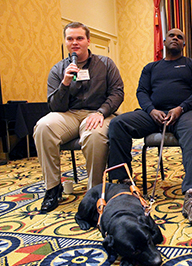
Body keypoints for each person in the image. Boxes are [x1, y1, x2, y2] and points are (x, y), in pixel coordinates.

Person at [107, 28, 192, 228]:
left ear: (184, 44)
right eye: (172, 36)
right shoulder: (151, 67)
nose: (175, 38)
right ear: (164, 42)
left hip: (186, 112)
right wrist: (151, 110)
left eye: (180, 37)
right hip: (154, 114)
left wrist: (181, 108)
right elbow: (142, 91)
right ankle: (121, 187)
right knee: (118, 123)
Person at [34, 22, 124, 213]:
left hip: (100, 113)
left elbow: (117, 93)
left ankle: (94, 192)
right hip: (69, 114)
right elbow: (55, 106)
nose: (75, 42)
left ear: (88, 41)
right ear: (66, 42)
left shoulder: (106, 64)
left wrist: (101, 112)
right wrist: (65, 83)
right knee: (43, 126)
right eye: (70, 39)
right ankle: (52, 188)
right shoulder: (58, 70)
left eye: (79, 38)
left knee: (94, 135)